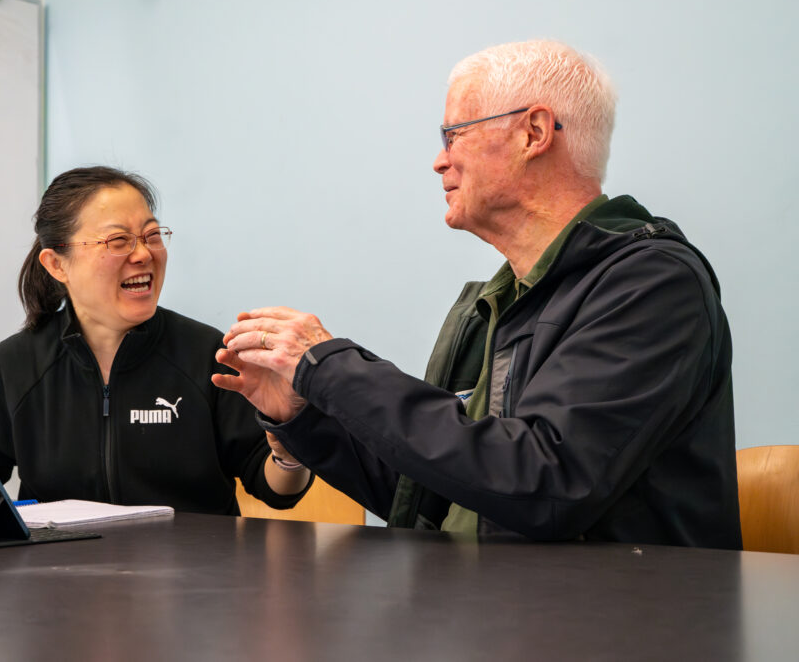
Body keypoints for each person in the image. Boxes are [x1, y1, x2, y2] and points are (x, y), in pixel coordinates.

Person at [213, 40, 741, 548]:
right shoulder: (492, 302)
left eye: (452, 135)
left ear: (534, 132)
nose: (439, 162)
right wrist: (305, 414)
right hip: (485, 615)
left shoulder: (652, 285)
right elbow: (430, 491)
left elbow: (545, 483)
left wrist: (331, 366)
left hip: (610, 630)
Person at [0, 166, 311, 514]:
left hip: (193, 600)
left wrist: (289, 442)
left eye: (152, 236)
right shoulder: (16, 366)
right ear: (57, 265)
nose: (142, 254)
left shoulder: (209, 355)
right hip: (56, 599)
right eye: (117, 241)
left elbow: (276, 490)